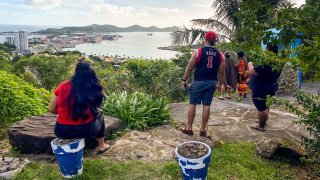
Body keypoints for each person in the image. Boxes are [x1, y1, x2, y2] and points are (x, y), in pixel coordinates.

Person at [48, 59, 109, 154]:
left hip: (62, 130)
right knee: (100, 115)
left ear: (76, 72)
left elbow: (51, 109)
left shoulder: (62, 86)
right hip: (86, 130)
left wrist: (65, 111)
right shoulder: (94, 86)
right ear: (91, 72)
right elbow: (96, 105)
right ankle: (102, 146)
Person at [181, 31, 225, 137]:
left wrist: (184, 80)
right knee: (206, 105)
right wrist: (219, 84)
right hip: (211, 82)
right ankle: (202, 129)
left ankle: (189, 128)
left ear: (205, 40)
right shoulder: (220, 55)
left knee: (192, 104)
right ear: (215, 41)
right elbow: (221, 72)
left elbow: (189, 68)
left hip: (198, 81)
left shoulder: (198, 52)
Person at [248, 43, 281, 131]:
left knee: (261, 107)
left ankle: (261, 125)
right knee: (266, 104)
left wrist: (250, 64)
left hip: (262, 87)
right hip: (271, 86)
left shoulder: (267, 61)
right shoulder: (278, 61)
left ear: (268, 50)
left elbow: (253, 71)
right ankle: (262, 121)